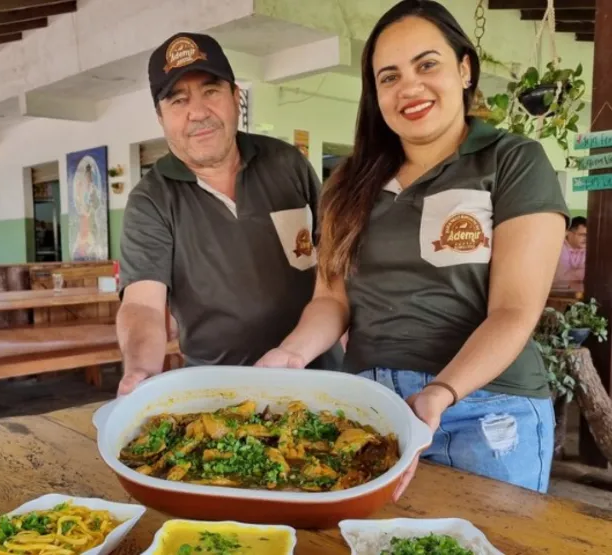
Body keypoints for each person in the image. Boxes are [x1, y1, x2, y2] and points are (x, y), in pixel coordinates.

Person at [256, 0, 569, 498]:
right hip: (371, 410)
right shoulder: (348, 184)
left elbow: (514, 310)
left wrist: (439, 394)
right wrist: (291, 355)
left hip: (485, 412)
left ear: (464, 69)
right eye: (389, 76)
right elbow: (331, 300)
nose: (410, 87)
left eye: (428, 65)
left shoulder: (512, 161)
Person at [116, 31, 341, 396]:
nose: (198, 112)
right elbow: (143, 304)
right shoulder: (152, 200)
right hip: (219, 394)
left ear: (236, 97)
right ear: (161, 118)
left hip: (320, 375)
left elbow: (333, 264)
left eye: (211, 91)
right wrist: (141, 369)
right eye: (178, 100)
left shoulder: (287, 163)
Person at [553, 216, 587, 291]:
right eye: (582, 235)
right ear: (569, 233)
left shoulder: (589, 249)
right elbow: (560, 278)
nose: (586, 239)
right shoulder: (558, 248)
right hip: (558, 294)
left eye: (588, 235)